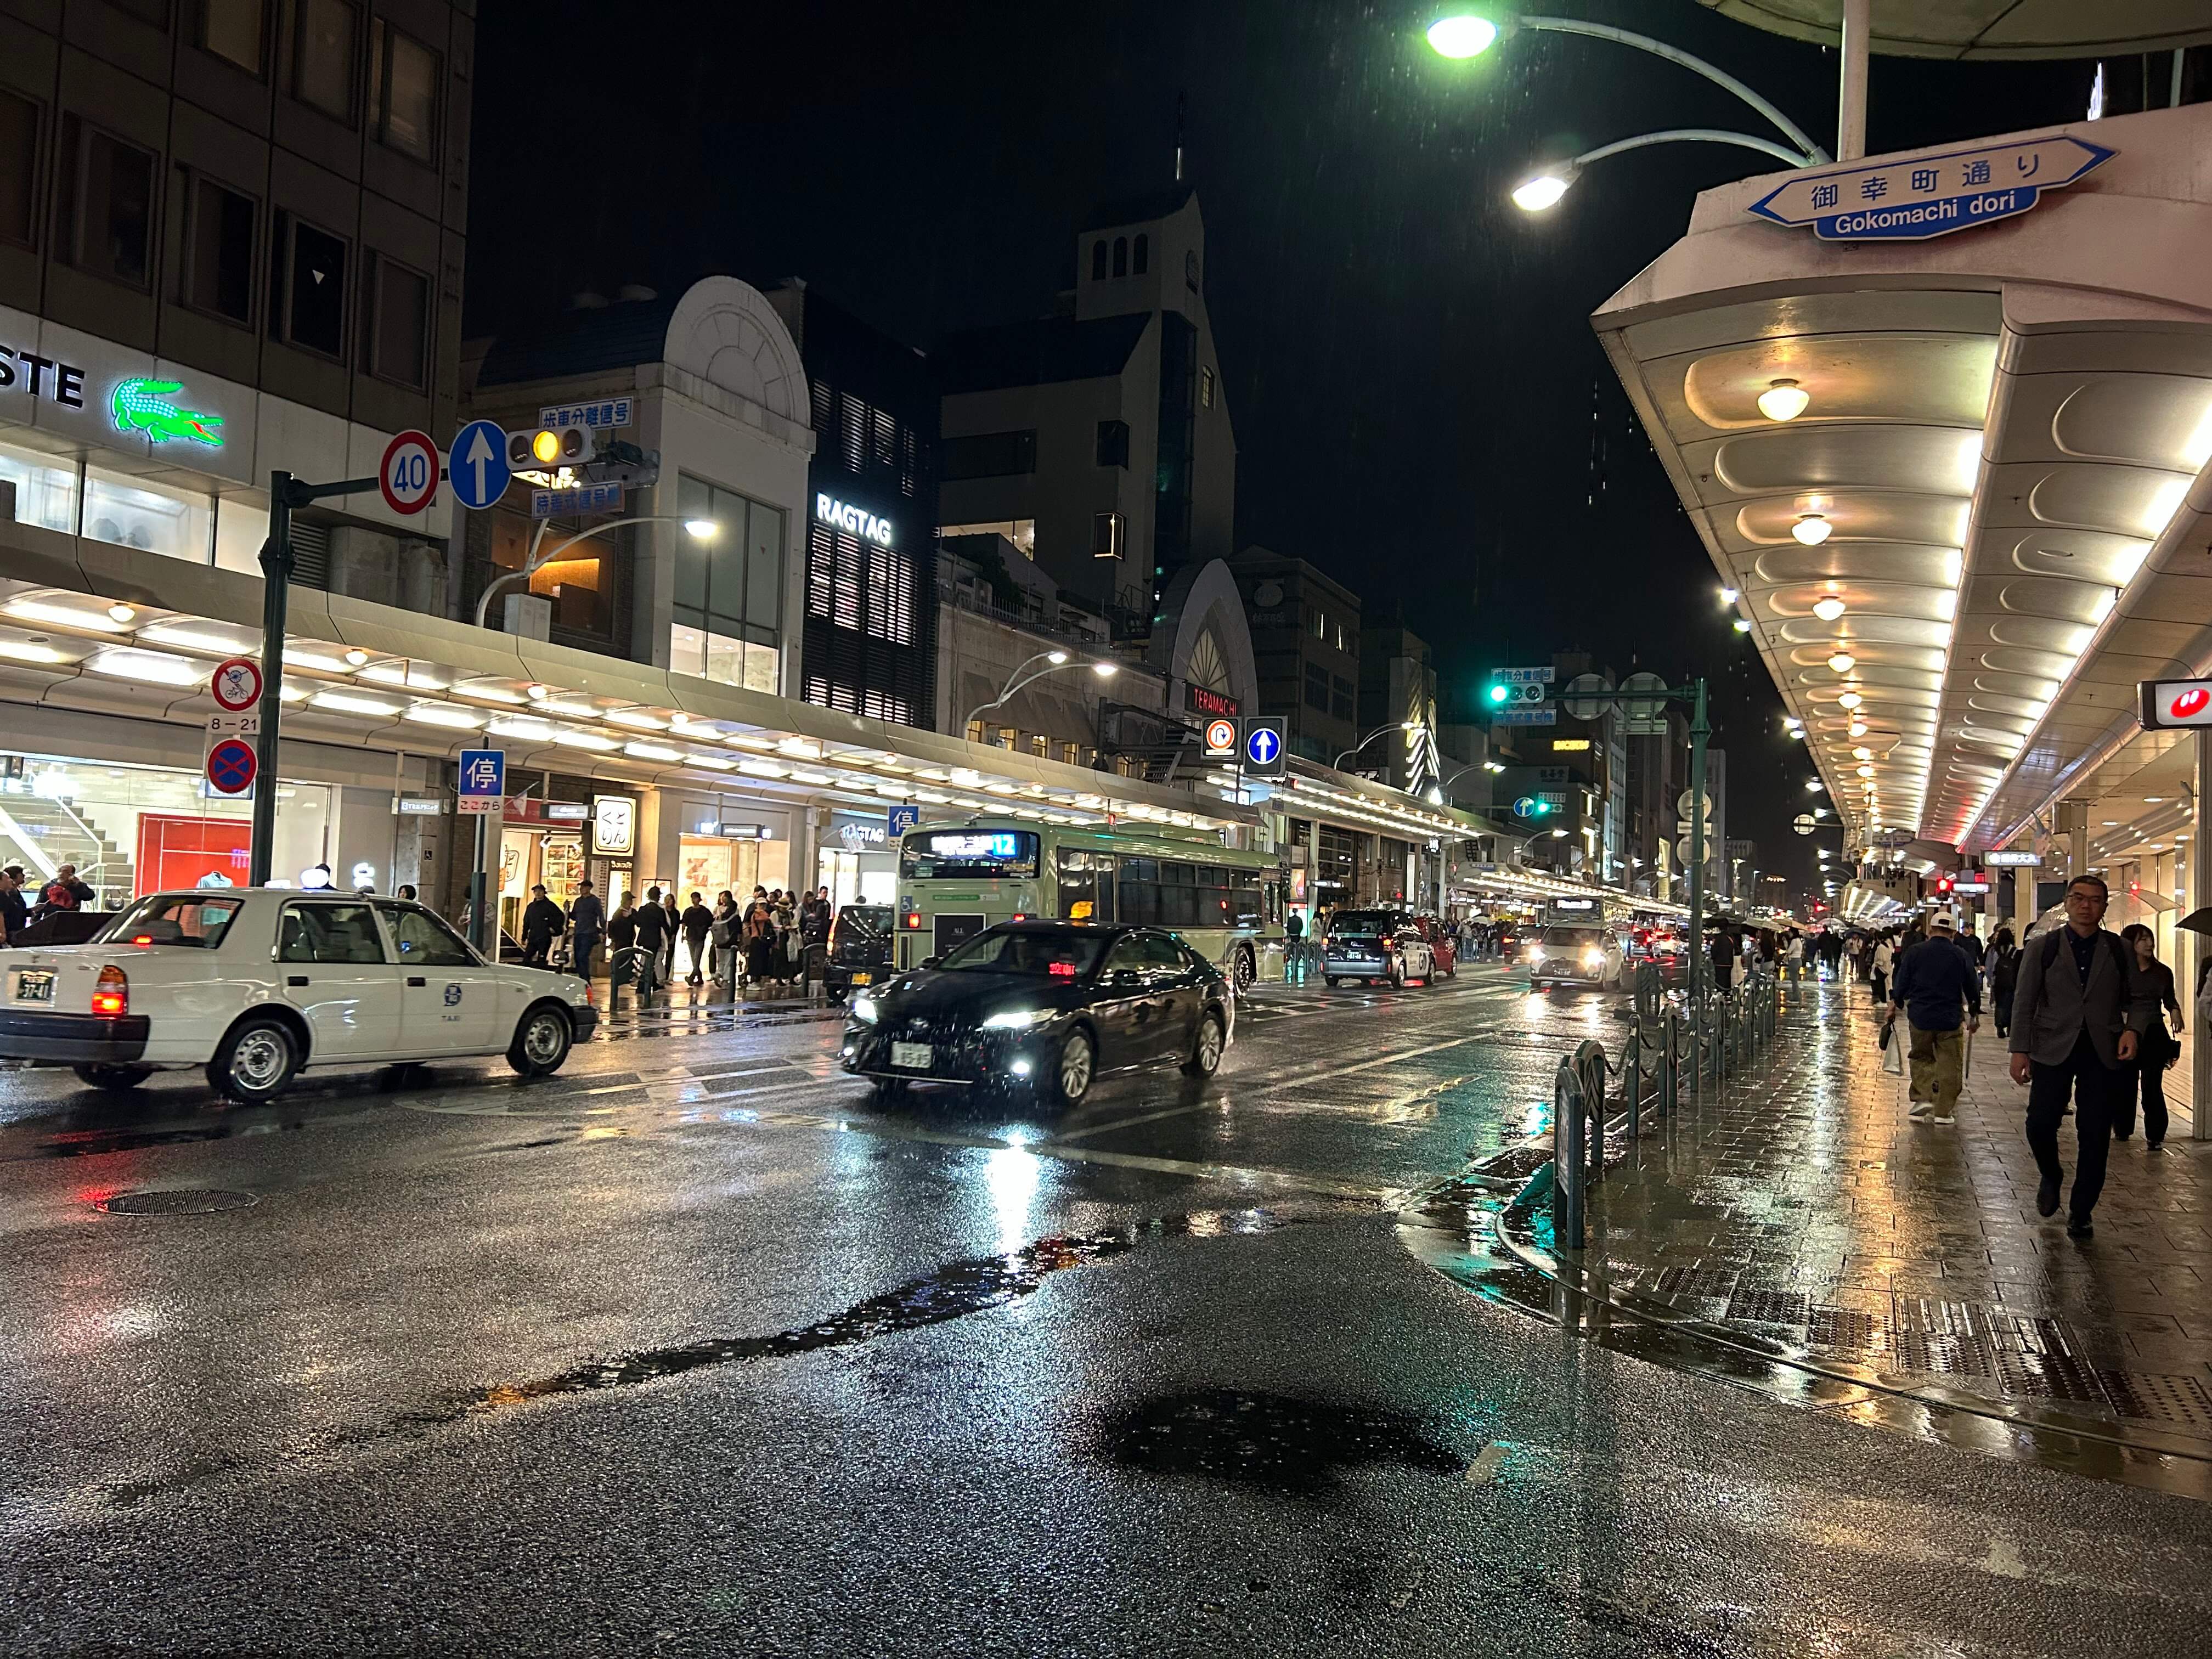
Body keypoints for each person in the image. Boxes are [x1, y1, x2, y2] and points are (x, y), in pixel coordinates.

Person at [2008, 875, 2158, 1240]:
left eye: (2095, 900)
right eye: (2079, 898)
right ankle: (2051, 1173)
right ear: (2067, 903)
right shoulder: (2044, 947)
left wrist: (2132, 1030)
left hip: (2102, 1052)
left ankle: (2081, 1210)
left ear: (2104, 907)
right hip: (2052, 1048)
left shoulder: (2119, 949)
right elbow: (2024, 1001)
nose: (2086, 905)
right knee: (2040, 1123)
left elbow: (2140, 1000)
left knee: (2094, 1134)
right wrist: (2019, 1049)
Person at [1888, 913, 1980, 1124]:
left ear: (1930, 930)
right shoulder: (1960, 954)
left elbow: (1902, 981)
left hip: (1920, 1016)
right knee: (1950, 1063)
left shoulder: (1915, 952)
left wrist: (1895, 1005)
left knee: (1921, 1056)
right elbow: (1972, 988)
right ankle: (1943, 1112)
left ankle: (1922, 1098)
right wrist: (1974, 1014)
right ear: (1954, 933)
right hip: (1949, 1017)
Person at [2114, 923, 2181, 1149]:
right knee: (2125, 1083)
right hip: (2126, 1031)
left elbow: (2169, 999)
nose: (2149, 944)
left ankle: (2155, 1134)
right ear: (2130, 944)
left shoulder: (2162, 971)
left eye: (2150, 939)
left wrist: (2175, 1011)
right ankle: (2122, 1128)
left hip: (2153, 1032)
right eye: (2142, 939)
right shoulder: (2121, 973)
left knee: (2153, 1084)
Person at [519, 884, 565, 969]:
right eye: (536, 891)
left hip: (544, 937)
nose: (538, 893)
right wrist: (524, 937)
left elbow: (560, 917)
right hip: (533, 937)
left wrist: (554, 928)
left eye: (540, 891)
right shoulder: (531, 907)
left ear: (544, 893)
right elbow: (526, 922)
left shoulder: (550, 906)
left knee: (542, 960)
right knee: (526, 959)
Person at [568, 879, 605, 981]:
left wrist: (603, 931)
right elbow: (574, 916)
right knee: (577, 958)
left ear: (589, 888)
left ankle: (585, 980)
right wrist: (568, 910)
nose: (581, 889)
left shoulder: (595, 901)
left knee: (582, 956)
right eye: (581, 887)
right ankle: (582, 978)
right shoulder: (578, 901)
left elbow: (601, 916)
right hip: (578, 933)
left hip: (589, 933)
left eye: (583, 887)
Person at [634, 887, 670, 991]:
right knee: (651, 961)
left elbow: (638, 923)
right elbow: (665, 925)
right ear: (658, 897)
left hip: (644, 938)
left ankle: (651, 983)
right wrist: (669, 936)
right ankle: (643, 985)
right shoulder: (659, 911)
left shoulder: (643, 909)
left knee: (648, 960)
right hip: (655, 938)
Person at [1988, 929, 2021, 1039]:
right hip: (2011, 982)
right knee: (2011, 1004)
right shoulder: (2016, 951)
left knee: (2000, 1004)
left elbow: (1990, 967)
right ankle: (2010, 1027)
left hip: (1998, 982)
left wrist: (1991, 980)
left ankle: (1999, 1026)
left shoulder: (1994, 950)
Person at [680, 891, 714, 986]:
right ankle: (699, 978)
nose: (694, 900)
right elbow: (684, 923)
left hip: (700, 937)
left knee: (696, 959)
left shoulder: (704, 912)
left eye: (695, 898)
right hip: (691, 937)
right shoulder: (689, 911)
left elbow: (711, 924)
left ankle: (692, 977)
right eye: (693, 898)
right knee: (694, 959)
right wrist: (682, 935)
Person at [0, 865, 24, 947]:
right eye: (8, 878)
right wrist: (3, 933)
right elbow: (1, 915)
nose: (11, 881)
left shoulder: (7, 894)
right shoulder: (1, 895)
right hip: (8, 932)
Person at [1870, 933, 1894, 1006]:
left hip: (1881, 968)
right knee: (1885, 985)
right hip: (1887, 967)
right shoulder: (1889, 946)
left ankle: (1883, 1001)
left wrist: (1877, 965)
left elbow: (1881, 959)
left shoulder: (1880, 947)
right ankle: (1886, 1000)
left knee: (1881, 985)